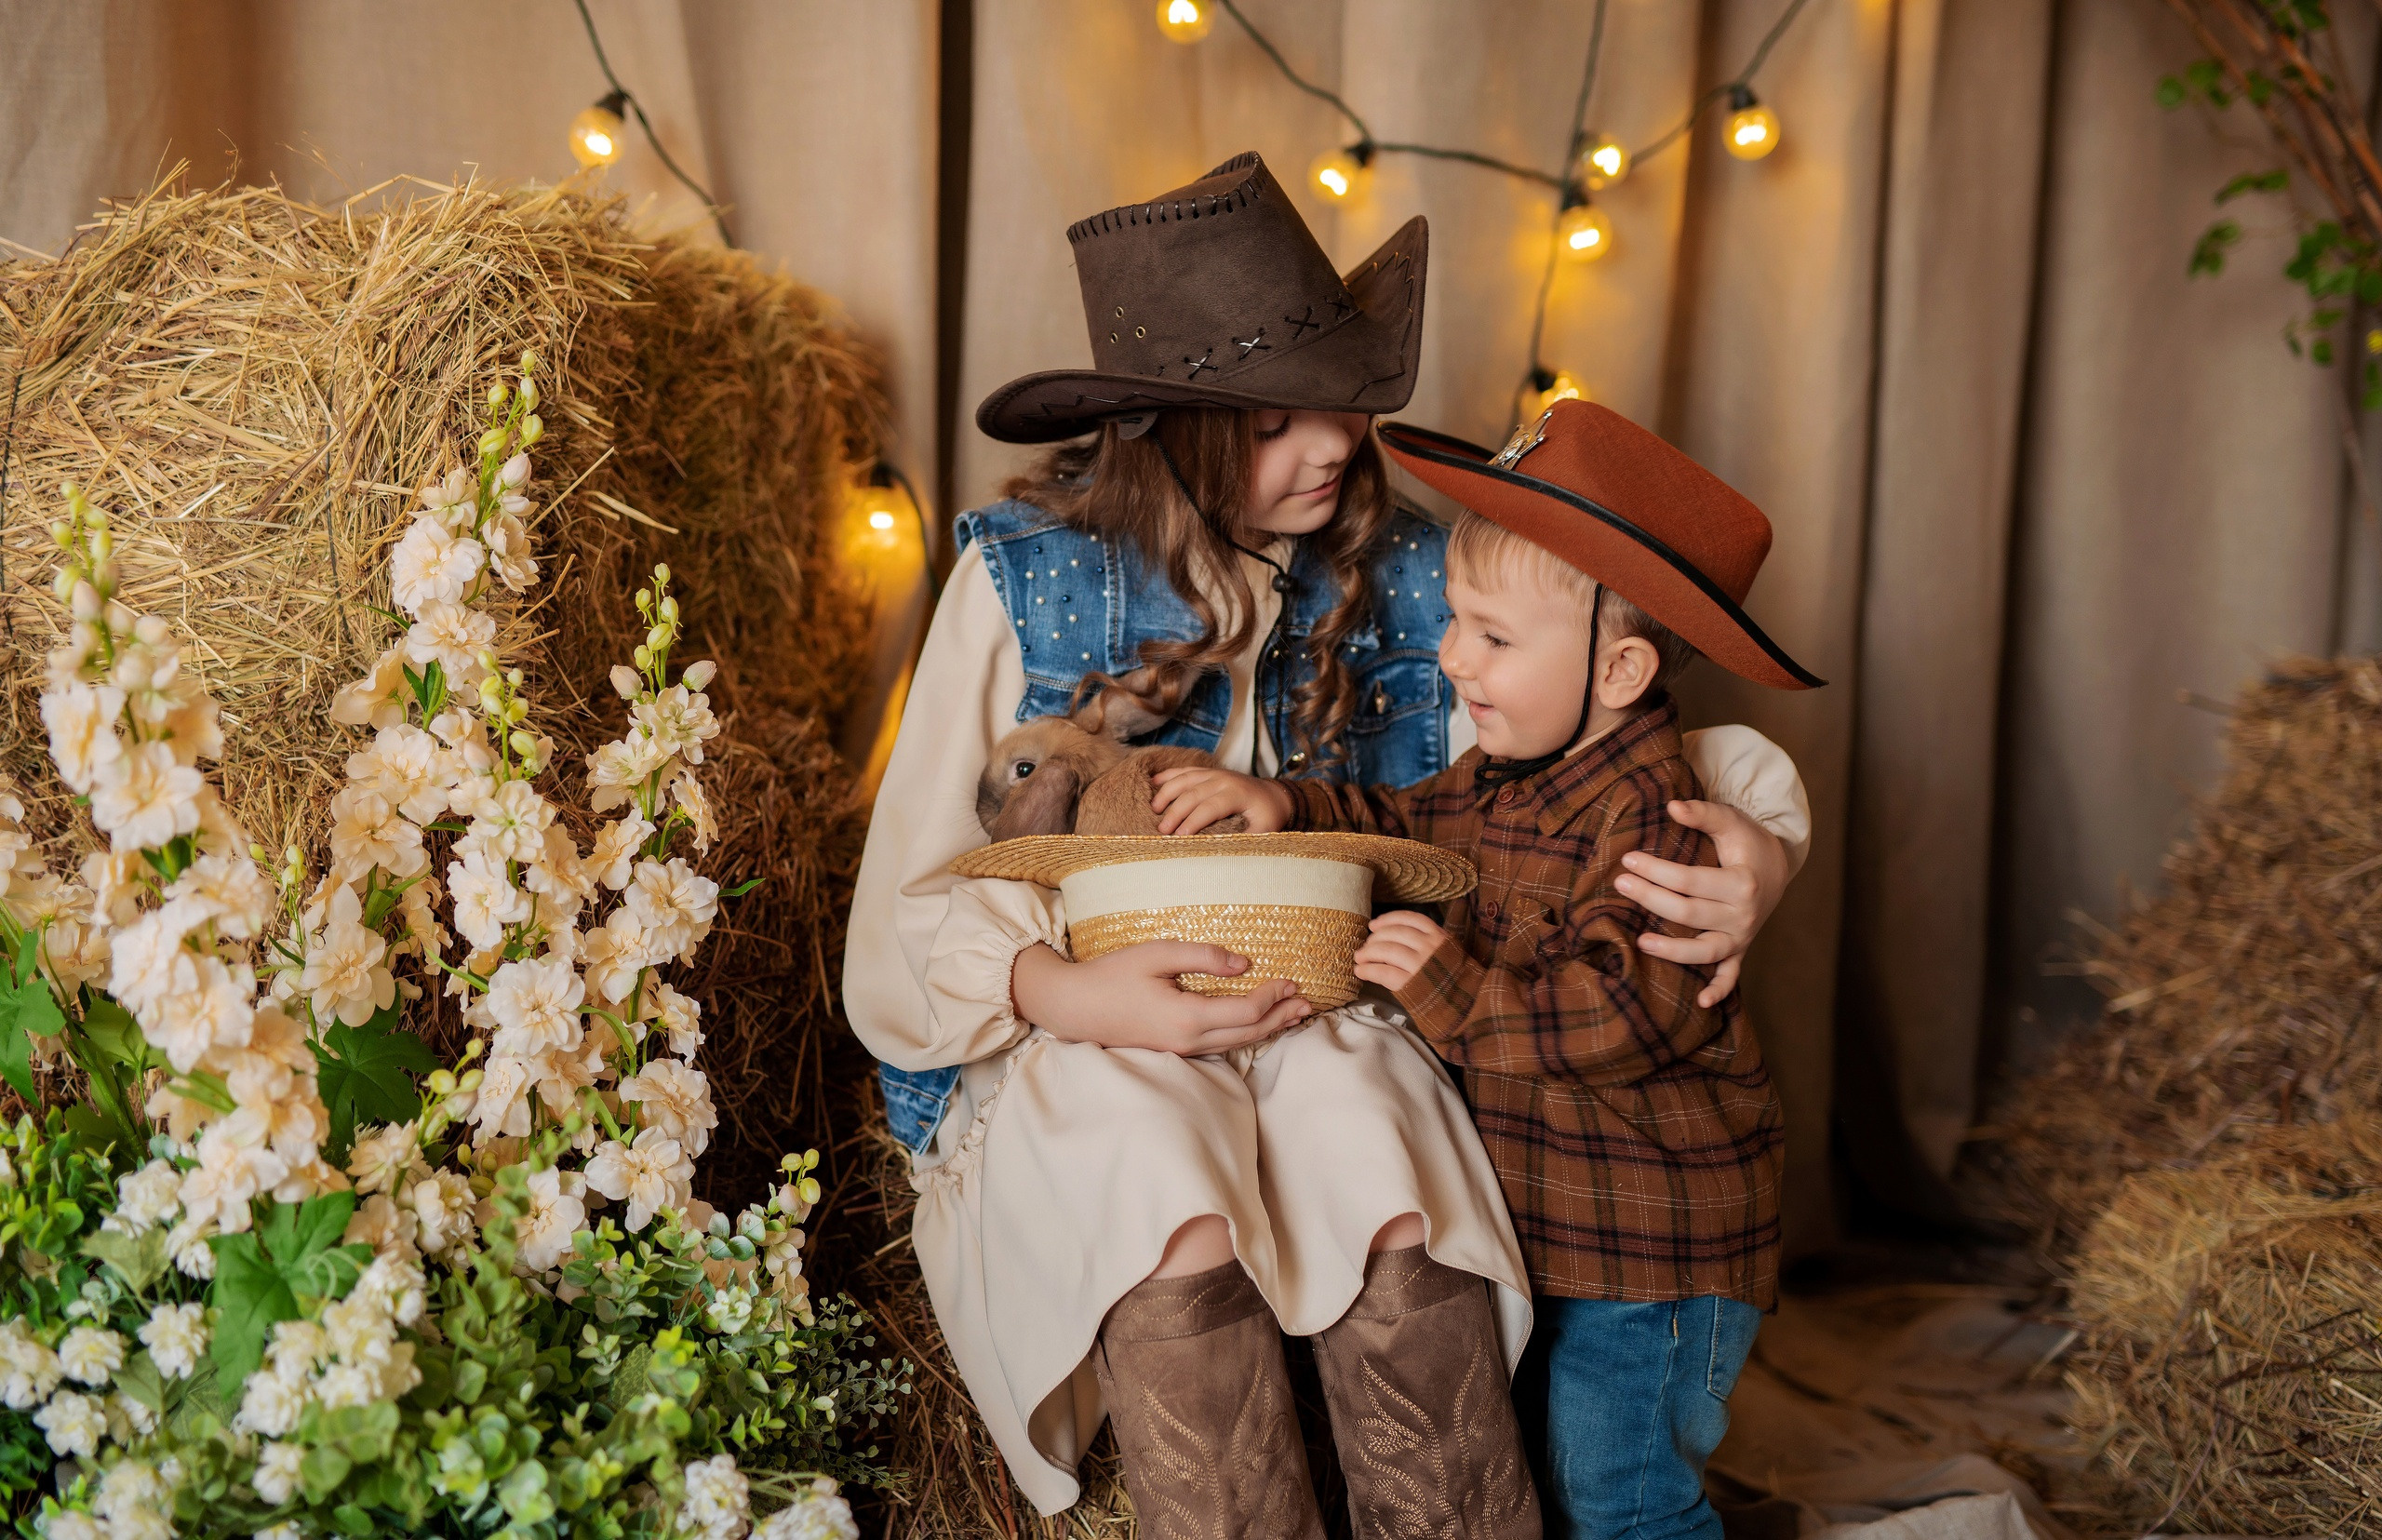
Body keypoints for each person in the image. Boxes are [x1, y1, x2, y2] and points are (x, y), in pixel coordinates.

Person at [844, 154, 1811, 1531]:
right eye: (1277, 423)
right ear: (1164, 430)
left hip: (1338, 1005)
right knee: (1155, 1183)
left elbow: (1639, 745)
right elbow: (909, 892)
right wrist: (1063, 990)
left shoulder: (1429, 571)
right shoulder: (1023, 575)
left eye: (1341, 411)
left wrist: (1765, 845)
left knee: (1381, 1172)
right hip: (1091, 1021)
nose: (1337, 448)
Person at [1150, 398, 1822, 1540]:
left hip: (1654, 1257)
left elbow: (1619, 1013)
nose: (1453, 656)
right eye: (1456, 622)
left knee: (1623, 1499)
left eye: (1493, 638)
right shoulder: (1508, 774)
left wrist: (1449, 987)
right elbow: (1400, 819)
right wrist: (1287, 805)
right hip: (1559, 1231)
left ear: (1619, 667)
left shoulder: (1659, 824)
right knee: (1551, 1479)